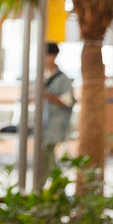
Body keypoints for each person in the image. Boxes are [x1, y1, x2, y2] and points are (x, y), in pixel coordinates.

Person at [40, 43, 75, 176]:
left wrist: (48, 96)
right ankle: (55, 184)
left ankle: (48, 184)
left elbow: (68, 101)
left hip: (56, 122)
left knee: (46, 152)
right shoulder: (41, 76)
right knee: (46, 153)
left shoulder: (63, 79)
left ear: (54, 56)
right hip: (43, 123)